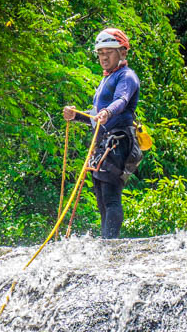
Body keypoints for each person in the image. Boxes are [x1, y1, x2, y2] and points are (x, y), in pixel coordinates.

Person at [62, 27, 152, 239]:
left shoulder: (126, 76)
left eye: (109, 52)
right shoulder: (107, 79)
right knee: (102, 196)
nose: (104, 57)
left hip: (118, 140)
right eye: (101, 53)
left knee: (111, 196)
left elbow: (121, 100)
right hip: (104, 141)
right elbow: (96, 115)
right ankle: (106, 240)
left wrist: (108, 111)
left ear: (123, 52)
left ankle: (110, 243)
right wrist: (75, 115)